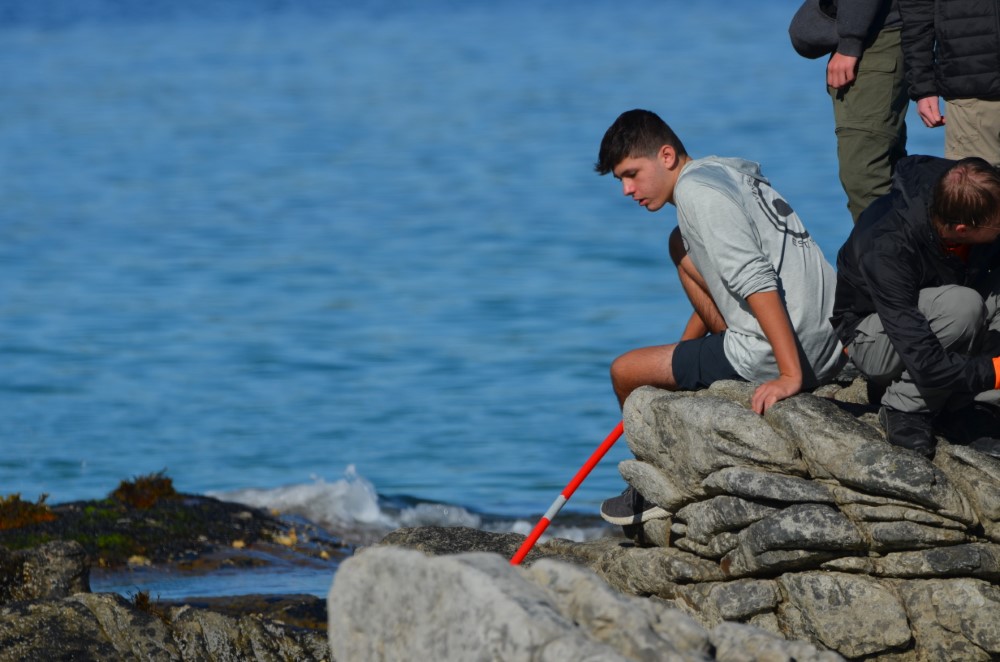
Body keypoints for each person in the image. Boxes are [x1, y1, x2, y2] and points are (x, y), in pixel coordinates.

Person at [594, 109, 845, 524]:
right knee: (680, 244)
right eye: (621, 179)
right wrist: (682, 355)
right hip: (831, 336)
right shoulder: (725, 173)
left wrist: (789, 375)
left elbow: (756, 280)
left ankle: (654, 480)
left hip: (779, 352)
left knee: (625, 372)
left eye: (632, 174)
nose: (626, 189)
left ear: (666, 156)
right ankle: (708, 360)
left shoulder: (698, 195)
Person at [831, 155, 1000, 459]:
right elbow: (925, 360)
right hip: (875, 336)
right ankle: (905, 407)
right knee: (962, 306)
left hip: (942, 314)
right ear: (963, 229)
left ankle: (974, 406)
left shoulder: (968, 198)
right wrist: (995, 372)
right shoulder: (887, 246)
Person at [789, 0, 909, 222]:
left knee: (864, 175)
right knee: (881, 168)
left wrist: (850, 43)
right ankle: (897, 241)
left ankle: (882, 244)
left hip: (874, 38)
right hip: (873, 33)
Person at [899, 0, 1000, 166]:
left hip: (968, 85)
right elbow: (917, 13)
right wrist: (923, 86)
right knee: (973, 179)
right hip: (970, 89)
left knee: (973, 178)